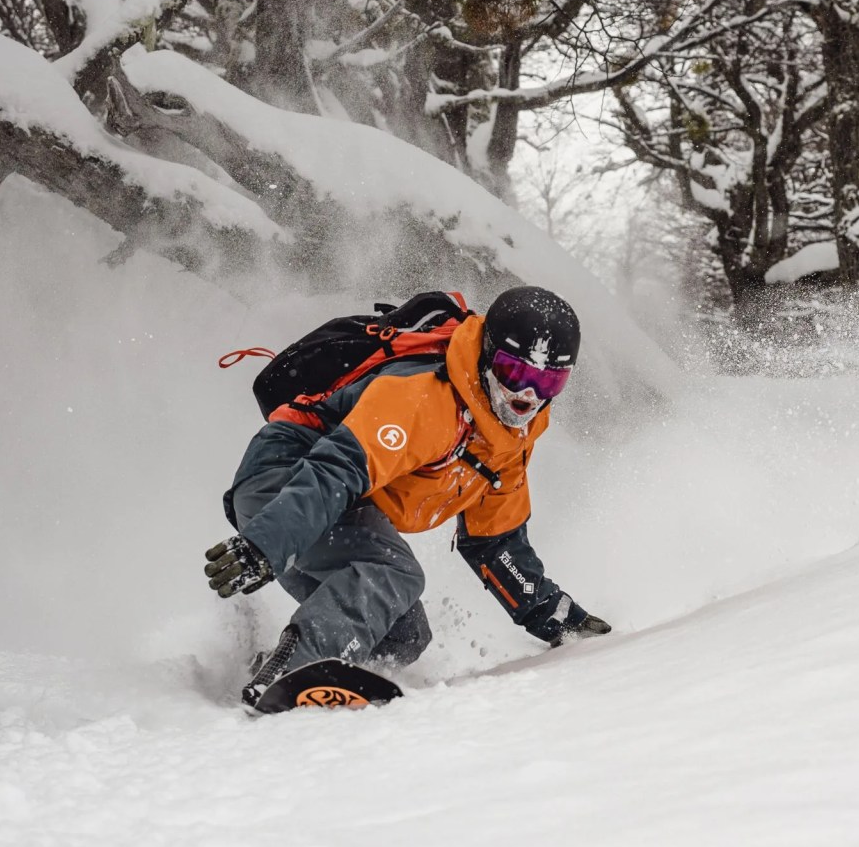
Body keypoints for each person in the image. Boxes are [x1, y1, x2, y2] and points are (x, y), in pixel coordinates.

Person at [203, 286, 611, 710]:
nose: (527, 396)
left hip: (318, 509)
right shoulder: (426, 396)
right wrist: (266, 546)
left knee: (405, 634)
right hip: (288, 482)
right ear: (489, 355)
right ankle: (294, 676)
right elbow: (334, 471)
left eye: (548, 380)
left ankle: (275, 670)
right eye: (514, 373)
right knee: (395, 572)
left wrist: (561, 620)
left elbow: (496, 541)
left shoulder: (507, 439)